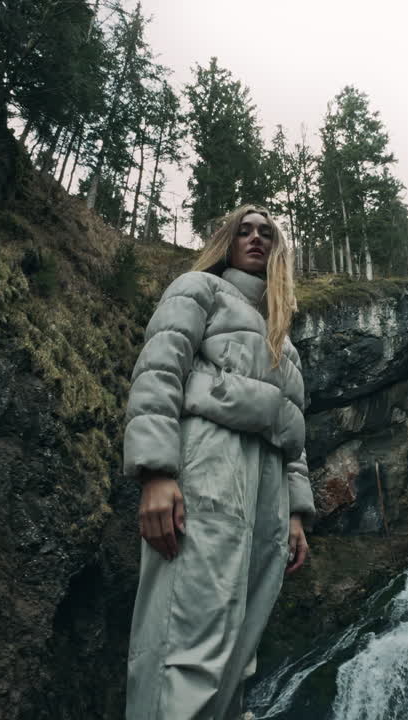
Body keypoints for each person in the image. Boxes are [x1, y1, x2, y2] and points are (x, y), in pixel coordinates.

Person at [122, 204, 315, 720]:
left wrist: (296, 513)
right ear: (226, 241)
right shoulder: (196, 289)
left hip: (270, 485)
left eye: (267, 233)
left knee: (240, 646)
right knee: (189, 630)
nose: (256, 239)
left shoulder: (284, 338)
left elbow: (293, 431)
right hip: (211, 455)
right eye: (244, 231)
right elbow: (160, 366)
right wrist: (157, 471)